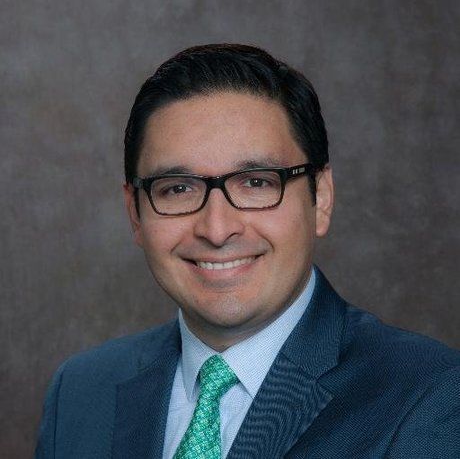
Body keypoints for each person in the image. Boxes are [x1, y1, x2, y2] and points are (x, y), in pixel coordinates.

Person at [35, 44, 460, 459]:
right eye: (178, 189)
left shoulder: (430, 397)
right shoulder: (79, 393)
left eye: (257, 182)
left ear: (321, 198)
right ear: (135, 214)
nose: (217, 230)